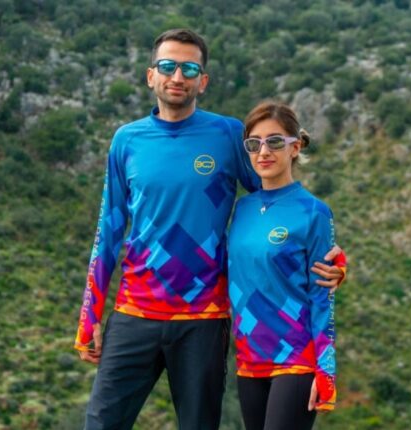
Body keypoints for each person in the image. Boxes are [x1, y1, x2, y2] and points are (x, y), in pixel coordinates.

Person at [74, 29, 345, 430]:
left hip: (203, 319)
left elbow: (273, 202)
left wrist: (328, 257)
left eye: (189, 69)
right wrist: (89, 313)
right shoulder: (127, 140)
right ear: (151, 75)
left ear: (202, 81)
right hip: (134, 313)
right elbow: (109, 229)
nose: (177, 76)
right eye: (168, 66)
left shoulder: (227, 135)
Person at [228, 101, 343, 430]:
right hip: (249, 361)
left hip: (295, 359)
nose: (264, 151)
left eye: (275, 141)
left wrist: (326, 369)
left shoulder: (313, 212)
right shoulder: (243, 209)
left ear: (295, 147)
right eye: (254, 144)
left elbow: (322, 295)